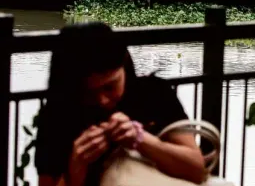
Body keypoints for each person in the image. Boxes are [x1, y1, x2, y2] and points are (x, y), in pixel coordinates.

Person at [35, 22, 205, 186]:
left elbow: (195, 169)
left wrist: (140, 139)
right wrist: (77, 166)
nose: (102, 100)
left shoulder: (153, 93)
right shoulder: (56, 116)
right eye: (88, 92)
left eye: (110, 87)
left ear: (124, 67)